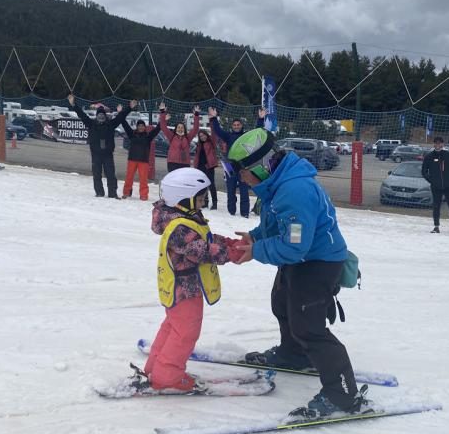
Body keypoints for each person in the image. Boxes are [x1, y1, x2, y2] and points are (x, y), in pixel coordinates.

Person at [228, 128, 370, 418]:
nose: (238, 176)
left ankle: (343, 394)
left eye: (240, 170)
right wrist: (255, 238)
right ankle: (294, 355)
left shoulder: (294, 191)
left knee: (309, 326)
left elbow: (294, 247)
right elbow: (277, 226)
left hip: (318, 262)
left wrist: (256, 251)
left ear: (262, 166)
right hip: (302, 256)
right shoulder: (276, 184)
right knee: (281, 303)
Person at [144, 168, 244, 391]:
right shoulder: (179, 227)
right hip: (184, 288)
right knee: (185, 332)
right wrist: (235, 253)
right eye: (199, 198)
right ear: (183, 199)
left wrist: (229, 242)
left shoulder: (182, 218)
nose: (202, 201)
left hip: (181, 287)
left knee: (172, 327)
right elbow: (202, 250)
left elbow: (205, 238)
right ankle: (167, 378)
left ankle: (155, 369)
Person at [208, 106, 266, 217]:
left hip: (243, 167)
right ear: (232, 126)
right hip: (230, 167)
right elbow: (218, 131)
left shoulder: (246, 136)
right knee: (231, 191)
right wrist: (214, 118)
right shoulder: (228, 136)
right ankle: (231, 212)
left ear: (241, 126)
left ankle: (244, 213)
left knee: (244, 191)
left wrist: (261, 119)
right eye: (234, 125)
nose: (236, 126)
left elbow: (256, 132)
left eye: (238, 125)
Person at [68, 94, 128, 198]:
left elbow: (120, 117)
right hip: (96, 154)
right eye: (99, 116)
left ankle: (112, 193)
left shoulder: (111, 124)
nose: (101, 118)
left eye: (102, 116)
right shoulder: (91, 124)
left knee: (111, 175)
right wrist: (73, 105)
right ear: (96, 116)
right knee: (97, 175)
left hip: (108, 154)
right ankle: (99, 192)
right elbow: (81, 114)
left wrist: (129, 108)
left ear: (105, 116)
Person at [120, 100, 161, 200]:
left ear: (145, 127)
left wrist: (163, 118)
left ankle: (143, 195)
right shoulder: (132, 134)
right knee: (129, 178)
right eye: (139, 126)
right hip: (132, 159)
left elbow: (158, 129)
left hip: (143, 161)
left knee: (143, 179)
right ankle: (126, 192)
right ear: (137, 127)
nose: (141, 127)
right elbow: (123, 121)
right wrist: (121, 111)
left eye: (143, 126)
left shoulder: (148, 136)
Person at [421, 136, 449, 235]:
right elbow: (423, 171)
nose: (438, 145)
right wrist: (432, 181)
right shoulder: (429, 156)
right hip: (436, 187)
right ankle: (436, 227)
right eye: (436, 143)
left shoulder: (448, 155)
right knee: (436, 206)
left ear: (442, 144)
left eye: (440, 143)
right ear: (434, 144)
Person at [158, 102, 200, 172]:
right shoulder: (172, 136)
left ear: (184, 129)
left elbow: (196, 129)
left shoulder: (187, 138)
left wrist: (196, 115)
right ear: (176, 129)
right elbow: (163, 127)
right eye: (178, 127)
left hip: (185, 163)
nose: (180, 129)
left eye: (182, 127)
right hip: (172, 163)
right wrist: (162, 112)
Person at [193, 128, 219, 210]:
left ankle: (215, 203)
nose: (202, 137)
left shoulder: (211, 142)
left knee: (211, 185)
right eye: (200, 136)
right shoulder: (199, 145)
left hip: (209, 167)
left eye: (203, 135)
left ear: (206, 135)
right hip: (200, 168)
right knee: (203, 186)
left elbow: (214, 133)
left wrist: (212, 119)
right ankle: (205, 202)